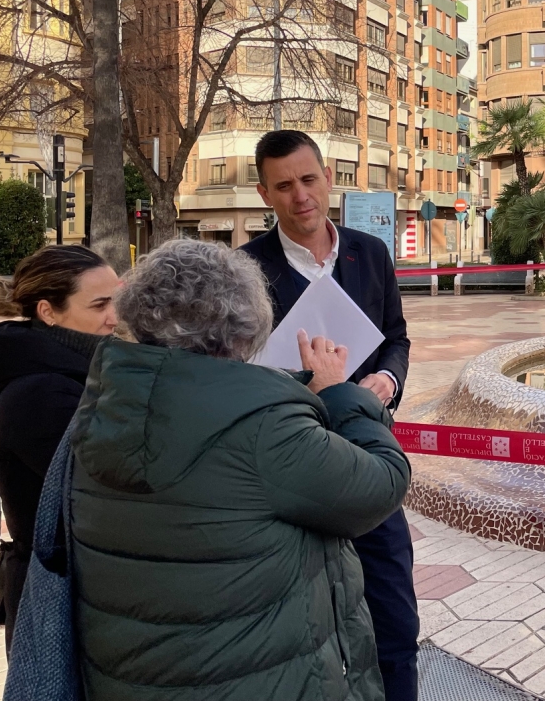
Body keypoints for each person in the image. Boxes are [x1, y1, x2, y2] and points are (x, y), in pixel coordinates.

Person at [69, 239, 410, 700]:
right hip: (259, 677)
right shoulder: (263, 428)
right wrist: (338, 393)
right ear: (242, 326)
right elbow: (381, 484)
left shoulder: (102, 401)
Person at [241, 130, 419, 701]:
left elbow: (396, 337)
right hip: (289, 470)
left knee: (394, 617)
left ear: (329, 177)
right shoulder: (245, 272)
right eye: (284, 186)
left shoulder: (370, 253)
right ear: (266, 194)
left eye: (308, 179)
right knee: (303, 634)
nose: (301, 197)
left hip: (367, 460)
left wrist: (385, 381)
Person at [0, 245, 118, 653]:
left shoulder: (71, 371)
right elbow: (108, 483)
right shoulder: (43, 389)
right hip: (56, 595)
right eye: (99, 305)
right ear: (48, 311)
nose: (115, 317)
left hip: (72, 583)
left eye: (117, 301)